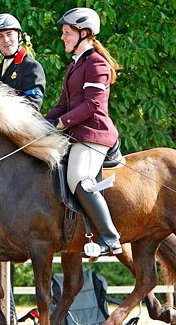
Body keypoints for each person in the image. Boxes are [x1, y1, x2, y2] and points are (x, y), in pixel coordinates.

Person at [45, 7, 122, 256]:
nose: (63, 37)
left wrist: (61, 124)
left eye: (67, 32)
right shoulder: (75, 65)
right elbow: (62, 105)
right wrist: (38, 124)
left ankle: (110, 238)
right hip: (75, 133)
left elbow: (93, 105)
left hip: (93, 133)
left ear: (84, 33)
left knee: (78, 179)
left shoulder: (97, 64)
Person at [0, 13, 46, 111]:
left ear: (19, 35)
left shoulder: (32, 66)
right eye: (0, 36)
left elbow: (33, 104)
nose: (6, 40)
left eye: (9, 34)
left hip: (24, 124)